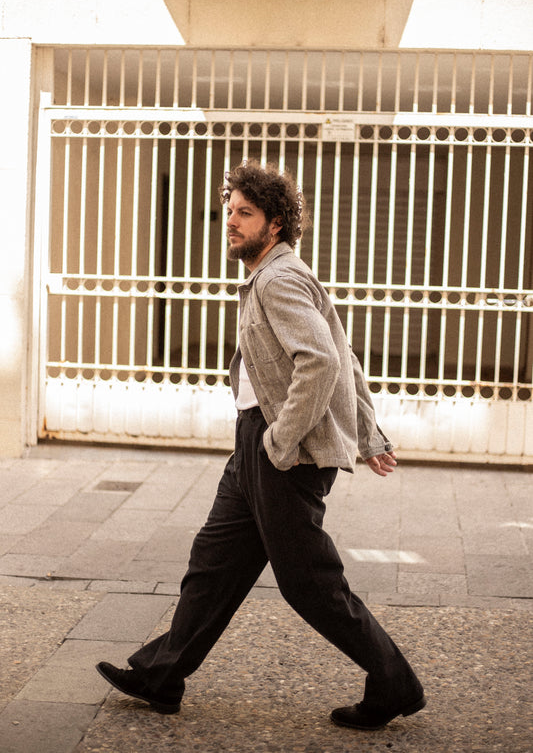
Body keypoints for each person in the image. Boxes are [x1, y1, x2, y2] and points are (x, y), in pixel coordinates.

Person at [96, 160, 426, 731]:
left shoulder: (278, 279)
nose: (230, 221)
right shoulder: (269, 276)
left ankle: (393, 682)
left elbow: (322, 362)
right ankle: (160, 675)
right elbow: (344, 354)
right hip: (255, 443)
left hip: (280, 450)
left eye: (244, 213)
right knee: (214, 563)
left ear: (275, 224)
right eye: (229, 210)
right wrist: (367, 433)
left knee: (310, 584)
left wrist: (280, 440)